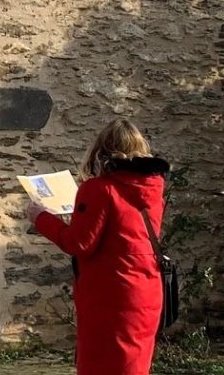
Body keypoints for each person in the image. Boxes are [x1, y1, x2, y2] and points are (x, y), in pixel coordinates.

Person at [27, 118, 171, 375]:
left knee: (102, 365)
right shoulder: (152, 191)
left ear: (101, 152)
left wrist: (41, 217)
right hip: (147, 289)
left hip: (111, 295)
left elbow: (80, 243)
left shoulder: (98, 189)